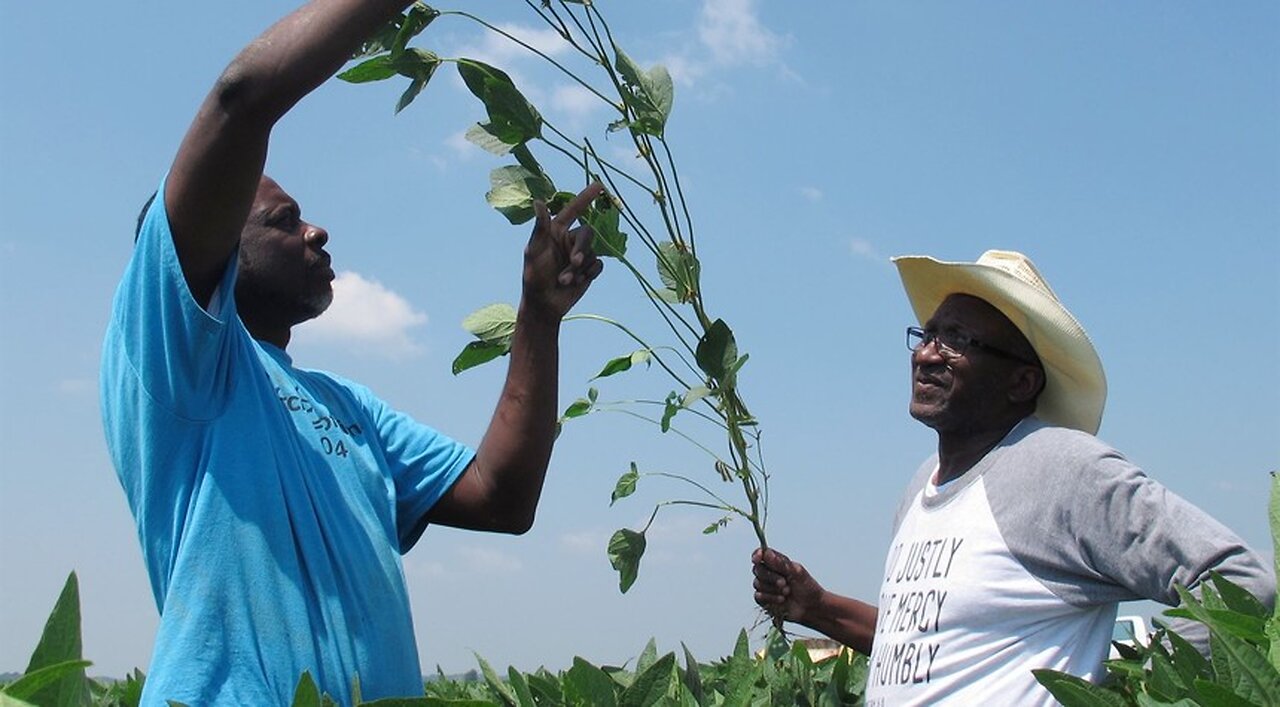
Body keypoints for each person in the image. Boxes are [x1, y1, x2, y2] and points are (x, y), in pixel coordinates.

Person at [100, 1, 604, 704]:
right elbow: (243, 98)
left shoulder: (347, 408)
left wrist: (539, 317)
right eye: (284, 221)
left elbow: (502, 495)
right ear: (214, 251)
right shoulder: (179, 359)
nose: (317, 230)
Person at [751, 250, 1275, 705]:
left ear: (1022, 381)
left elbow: (1240, 581)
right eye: (929, 333)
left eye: (958, 340)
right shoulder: (920, 487)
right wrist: (816, 608)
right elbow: (923, 647)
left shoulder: (1062, 468)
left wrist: (1137, 692)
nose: (927, 353)